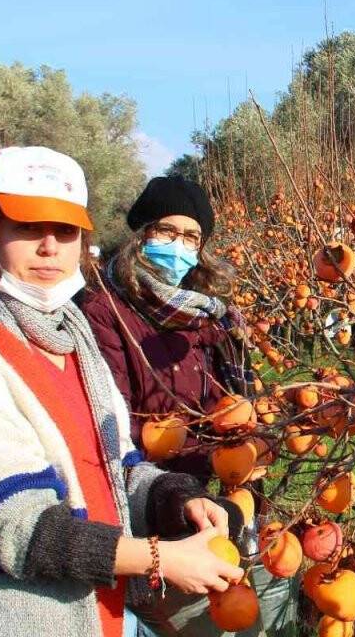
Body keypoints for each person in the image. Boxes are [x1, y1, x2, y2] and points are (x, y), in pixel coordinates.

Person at [0, 147, 243, 637]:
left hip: (102, 609)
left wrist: (179, 497)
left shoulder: (71, 333)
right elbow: (12, 524)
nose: (50, 246)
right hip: (24, 618)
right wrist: (157, 556)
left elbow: (117, 468)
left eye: (65, 231)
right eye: (28, 228)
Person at [81, 177, 292, 636]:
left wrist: (251, 438)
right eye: (166, 231)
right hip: (158, 510)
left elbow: (234, 405)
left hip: (223, 498)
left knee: (269, 615)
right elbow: (108, 425)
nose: (178, 246)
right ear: (141, 235)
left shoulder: (208, 315)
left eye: (191, 237)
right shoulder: (105, 312)